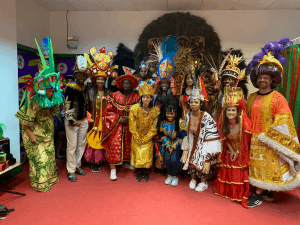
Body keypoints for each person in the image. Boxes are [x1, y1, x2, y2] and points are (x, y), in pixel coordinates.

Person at [246, 38, 300, 208]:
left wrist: (269, 136)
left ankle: (258, 194)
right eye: (260, 77)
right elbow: (246, 116)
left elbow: (285, 120)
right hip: (252, 139)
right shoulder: (251, 97)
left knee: (268, 167)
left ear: (271, 80)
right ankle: (266, 190)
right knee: (255, 168)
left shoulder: (278, 98)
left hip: (269, 140)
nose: (262, 80)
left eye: (266, 78)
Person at [15, 37, 64, 192]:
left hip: (48, 132)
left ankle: (49, 179)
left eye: (52, 89)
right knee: (40, 159)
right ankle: (40, 183)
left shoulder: (53, 97)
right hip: (34, 132)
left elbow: (55, 112)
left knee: (49, 157)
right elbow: (24, 120)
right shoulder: (33, 99)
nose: (51, 92)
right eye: (48, 89)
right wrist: (30, 134)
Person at [214, 87, 252, 208]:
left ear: (238, 111)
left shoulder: (243, 125)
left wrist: (237, 152)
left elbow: (245, 143)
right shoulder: (224, 125)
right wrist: (232, 151)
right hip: (232, 150)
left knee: (237, 168)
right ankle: (227, 191)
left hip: (242, 151)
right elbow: (226, 140)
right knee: (227, 161)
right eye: (228, 110)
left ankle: (237, 194)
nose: (230, 112)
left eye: (233, 110)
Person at [181, 81, 221, 192]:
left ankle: (203, 182)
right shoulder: (187, 115)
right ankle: (193, 179)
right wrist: (186, 145)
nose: (193, 104)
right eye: (192, 102)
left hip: (204, 144)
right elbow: (184, 131)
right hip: (192, 142)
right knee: (190, 161)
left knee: (203, 163)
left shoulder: (206, 116)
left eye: (196, 102)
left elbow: (212, 132)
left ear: (200, 104)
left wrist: (208, 152)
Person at [102, 67, 140, 181]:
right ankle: (113, 168)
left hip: (130, 126)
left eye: (129, 83)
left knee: (129, 143)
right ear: (121, 84)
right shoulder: (114, 95)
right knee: (115, 145)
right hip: (116, 126)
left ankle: (125, 162)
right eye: (124, 83)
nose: (126, 85)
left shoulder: (136, 97)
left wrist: (130, 119)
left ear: (132, 85)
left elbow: (140, 113)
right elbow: (107, 112)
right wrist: (119, 118)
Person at [64, 56, 89, 182]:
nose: (82, 77)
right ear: (75, 75)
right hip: (72, 122)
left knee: (81, 144)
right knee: (72, 145)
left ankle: (78, 165)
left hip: (84, 120)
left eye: (84, 75)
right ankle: (71, 170)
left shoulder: (85, 87)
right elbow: (67, 105)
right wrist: (71, 121)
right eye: (79, 75)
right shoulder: (70, 87)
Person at [129, 83, 160, 181]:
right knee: (138, 153)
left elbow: (155, 126)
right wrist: (137, 136)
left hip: (148, 137)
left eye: (148, 97)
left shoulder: (155, 111)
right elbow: (132, 124)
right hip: (137, 135)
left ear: (151, 98)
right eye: (144, 97)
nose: (145, 99)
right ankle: (139, 172)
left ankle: (146, 172)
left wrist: (148, 137)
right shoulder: (134, 109)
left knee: (147, 154)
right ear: (141, 98)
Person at [156, 95, 187, 186]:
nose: (169, 115)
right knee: (168, 160)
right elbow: (161, 134)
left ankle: (175, 176)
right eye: (168, 113)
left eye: (172, 114)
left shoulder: (181, 123)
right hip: (167, 144)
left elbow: (182, 136)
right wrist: (168, 145)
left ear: (176, 114)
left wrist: (173, 146)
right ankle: (169, 175)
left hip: (177, 145)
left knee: (174, 160)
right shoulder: (162, 123)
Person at [209, 53, 248, 121]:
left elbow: (242, 111)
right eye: (225, 79)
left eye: (230, 79)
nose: (227, 81)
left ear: (235, 81)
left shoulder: (239, 93)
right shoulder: (218, 93)